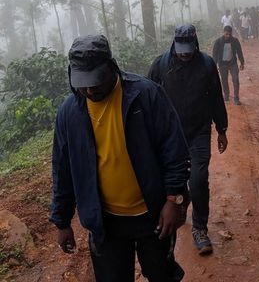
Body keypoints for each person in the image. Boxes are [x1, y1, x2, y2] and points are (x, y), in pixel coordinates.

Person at [50, 34, 190, 282]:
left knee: (162, 274)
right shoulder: (69, 113)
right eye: (83, 82)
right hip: (105, 223)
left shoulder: (146, 95)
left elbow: (175, 151)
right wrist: (62, 221)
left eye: (96, 80)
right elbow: (62, 171)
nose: (90, 89)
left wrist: (174, 199)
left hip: (153, 214)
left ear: (112, 67)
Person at [148, 24, 228, 256]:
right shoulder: (161, 65)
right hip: (170, 136)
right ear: (174, 43)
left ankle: (200, 228)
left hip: (199, 131)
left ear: (196, 43)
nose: (184, 53)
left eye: (189, 47)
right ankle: (180, 204)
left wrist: (221, 128)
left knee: (199, 178)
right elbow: (147, 97)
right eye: (181, 48)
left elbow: (215, 97)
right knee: (176, 180)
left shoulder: (206, 64)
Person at [212, 25, 244, 105]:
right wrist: (214, 65)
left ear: (231, 33)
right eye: (226, 34)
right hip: (222, 64)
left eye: (229, 34)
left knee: (235, 80)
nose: (228, 36)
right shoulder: (218, 42)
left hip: (232, 63)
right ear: (223, 33)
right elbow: (215, 55)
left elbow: (239, 52)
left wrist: (242, 62)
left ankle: (236, 97)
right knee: (224, 80)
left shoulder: (235, 41)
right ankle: (226, 95)